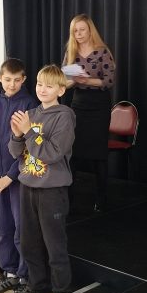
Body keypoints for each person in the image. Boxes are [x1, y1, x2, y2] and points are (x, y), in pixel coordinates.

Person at [7, 65, 75, 293]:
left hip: (51, 190)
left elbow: (52, 153)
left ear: (61, 90)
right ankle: (37, 290)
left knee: (54, 245)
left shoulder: (64, 116)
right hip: (28, 186)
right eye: (39, 84)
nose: (42, 89)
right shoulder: (31, 114)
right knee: (29, 243)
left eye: (49, 85)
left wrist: (27, 131)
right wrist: (17, 135)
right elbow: (16, 153)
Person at [0, 58, 36, 293]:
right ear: (0, 79)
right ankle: (10, 271)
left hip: (17, 179)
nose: (12, 84)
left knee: (20, 228)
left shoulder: (29, 104)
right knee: (3, 227)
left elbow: (28, 148)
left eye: (16, 80)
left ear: (23, 79)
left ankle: (24, 277)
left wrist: (9, 177)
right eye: (7, 80)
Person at [64, 14, 115, 211]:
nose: (78, 34)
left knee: (99, 154)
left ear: (90, 30)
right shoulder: (71, 51)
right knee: (74, 151)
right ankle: (69, 198)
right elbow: (64, 82)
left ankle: (102, 197)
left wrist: (88, 81)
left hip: (99, 105)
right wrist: (73, 81)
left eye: (82, 30)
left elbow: (109, 81)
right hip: (79, 104)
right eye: (75, 31)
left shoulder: (102, 51)